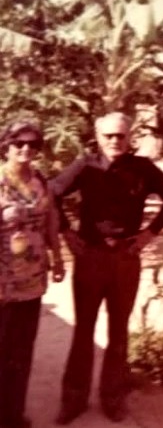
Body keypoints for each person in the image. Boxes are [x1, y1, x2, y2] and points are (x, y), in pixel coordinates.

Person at [50, 112, 163, 424]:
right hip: (91, 257)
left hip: (125, 258)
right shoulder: (85, 166)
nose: (114, 141)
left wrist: (149, 234)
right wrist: (66, 231)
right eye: (108, 135)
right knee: (83, 330)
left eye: (120, 135)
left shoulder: (142, 168)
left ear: (129, 137)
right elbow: (51, 193)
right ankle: (73, 400)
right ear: (98, 137)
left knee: (118, 330)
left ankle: (112, 398)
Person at [0, 120, 65, 428]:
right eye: (19, 143)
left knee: (22, 350)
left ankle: (13, 415)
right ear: (6, 146)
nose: (26, 149)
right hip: (2, 280)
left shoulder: (40, 180)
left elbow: (51, 220)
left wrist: (58, 257)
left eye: (33, 144)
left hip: (32, 279)